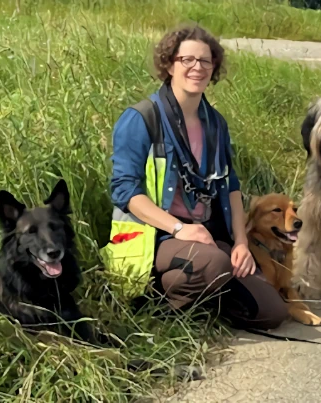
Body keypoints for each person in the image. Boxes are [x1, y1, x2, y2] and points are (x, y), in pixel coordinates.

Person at [105, 24, 287, 330]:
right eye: (186, 59)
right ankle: (163, 304)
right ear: (169, 64)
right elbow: (125, 190)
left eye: (205, 61)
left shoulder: (216, 124)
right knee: (214, 263)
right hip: (157, 236)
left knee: (272, 312)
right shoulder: (141, 119)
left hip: (208, 236)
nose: (197, 68)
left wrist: (241, 243)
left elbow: (231, 187)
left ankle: (204, 294)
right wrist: (179, 229)